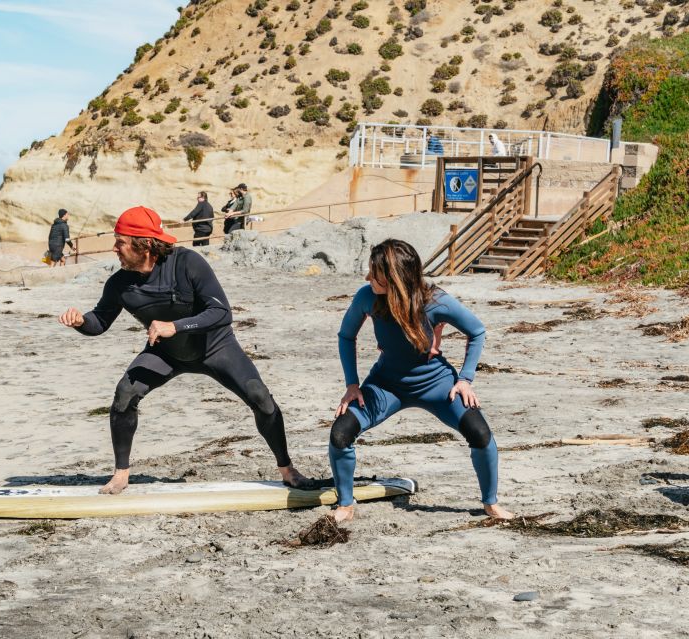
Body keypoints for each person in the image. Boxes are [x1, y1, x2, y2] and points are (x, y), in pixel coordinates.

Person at [58, 206, 311, 495]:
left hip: (216, 347)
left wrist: (175, 326)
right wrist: (80, 321)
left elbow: (221, 312)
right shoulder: (120, 283)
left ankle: (287, 470)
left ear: (145, 245)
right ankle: (121, 475)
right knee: (125, 394)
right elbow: (99, 321)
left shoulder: (188, 263)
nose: (114, 248)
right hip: (165, 354)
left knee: (260, 397)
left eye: (121, 241)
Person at [328, 238, 514, 523]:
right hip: (385, 386)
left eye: (373, 273)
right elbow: (345, 336)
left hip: (437, 385)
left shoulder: (435, 301)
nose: (367, 278)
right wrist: (352, 384)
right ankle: (345, 504)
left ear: (394, 278)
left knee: (481, 434)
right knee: (340, 433)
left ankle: (491, 503)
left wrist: (465, 379)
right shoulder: (367, 297)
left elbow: (476, 331)